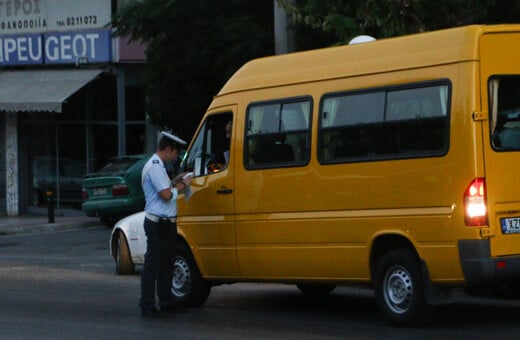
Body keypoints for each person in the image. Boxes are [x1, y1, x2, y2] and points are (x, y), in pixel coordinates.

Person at [140, 131, 191, 318]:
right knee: (153, 265)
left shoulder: (160, 166)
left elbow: (166, 188)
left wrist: (176, 181)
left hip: (166, 224)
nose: (175, 157)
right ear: (168, 150)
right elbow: (166, 195)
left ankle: (166, 301)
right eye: (175, 153)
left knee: (167, 264)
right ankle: (147, 305)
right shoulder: (155, 166)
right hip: (158, 224)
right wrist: (184, 185)